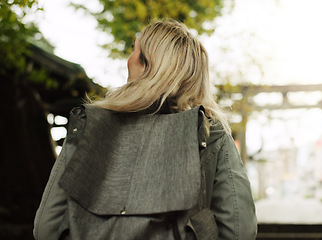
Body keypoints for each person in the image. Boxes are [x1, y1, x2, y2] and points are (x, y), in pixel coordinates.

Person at [33, 19, 257, 239]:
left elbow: (47, 228)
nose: (129, 59)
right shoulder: (209, 131)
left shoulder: (91, 125)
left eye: (134, 50)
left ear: (148, 64)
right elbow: (239, 229)